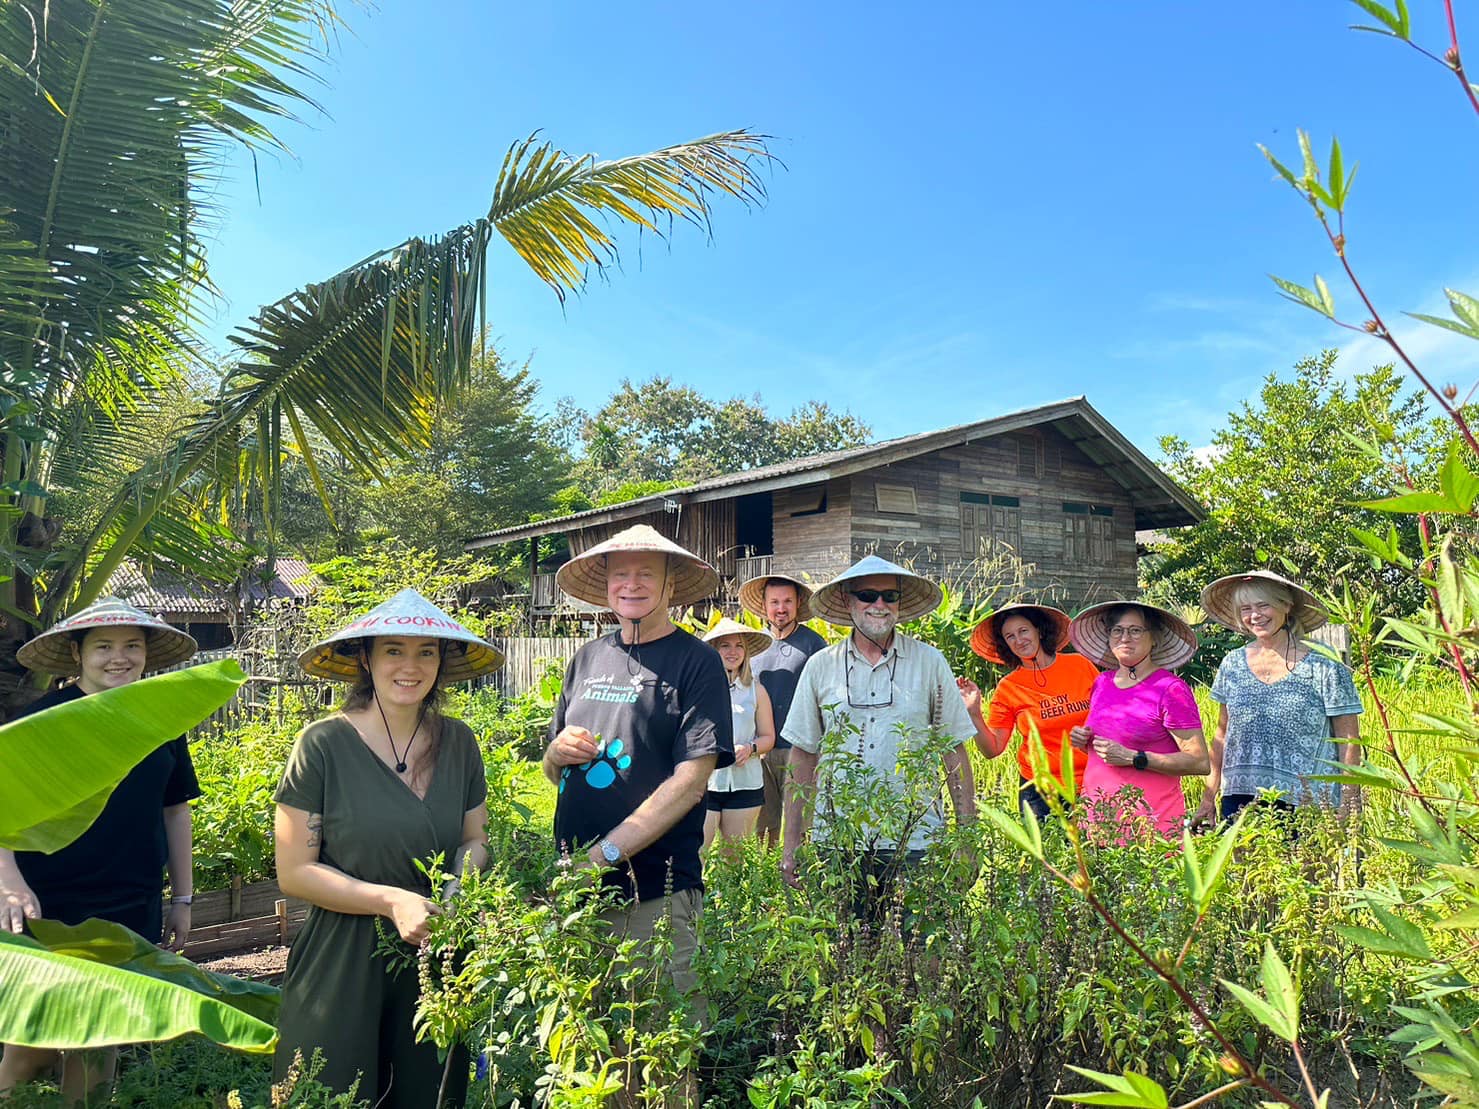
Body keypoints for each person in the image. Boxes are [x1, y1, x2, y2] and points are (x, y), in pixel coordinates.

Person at [273, 589, 503, 1108]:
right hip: (343, 951)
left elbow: (475, 840)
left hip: (438, 949)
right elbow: (295, 872)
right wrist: (390, 901)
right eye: (394, 650)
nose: (411, 665)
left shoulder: (460, 742)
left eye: (427, 652)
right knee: (330, 1090)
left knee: (428, 1092)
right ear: (366, 658)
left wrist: (458, 884)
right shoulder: (322, 745)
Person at [0, 598, 200, 1103]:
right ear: (76, 652)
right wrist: (9, 881)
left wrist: (183, 899)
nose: (120, 657)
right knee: (31, 1044)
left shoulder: (160, 720)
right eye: (104, 646)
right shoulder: (39, 722)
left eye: (132, 646)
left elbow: (175, 811)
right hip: (46, 903)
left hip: (131, 902)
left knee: (101, 1041)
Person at [542, 523, 733, 1021]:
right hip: (576, 889)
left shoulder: (698, 662)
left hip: (655, 889)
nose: (632, 584)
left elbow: (690, 783)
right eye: (620, 574)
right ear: (605, 584)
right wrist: (555, 754)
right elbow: (552, 770)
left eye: (646, 574)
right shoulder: (586, 658)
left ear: (671, 584)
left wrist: (603, 855)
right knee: (593, 1051)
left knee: (662, 1051)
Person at [781, 555, 980, 909]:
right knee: (844, 954)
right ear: (847, 599)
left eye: (890, 596)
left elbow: (954, 751)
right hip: (838, 842)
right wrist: (792, 841)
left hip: (917, 840)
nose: (879, 605)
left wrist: (967, 840)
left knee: (919, 955)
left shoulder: (930, 662)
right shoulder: (819, 667)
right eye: (868, 595)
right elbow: (803, 756)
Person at [1192, 570, 1363, 826]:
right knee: (1247, 866)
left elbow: (1348, 739)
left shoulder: (1323, 663)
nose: (1255, 615)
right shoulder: (1232, 664)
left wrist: (1350, 800)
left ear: (1286, 605)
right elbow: (1222, 736)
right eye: (1246, 609)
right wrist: (1208, 798)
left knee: (1307, 866)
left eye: (1263, 605)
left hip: (1309, 799)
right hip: (1241, 797)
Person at [1067, 602, 1210, 840]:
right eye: (1117, 630)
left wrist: (1135, 758)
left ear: (1154, 638)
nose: (1125, 638)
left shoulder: (1170, 689)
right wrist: (1083, 740)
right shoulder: (1102, 683)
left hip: (1150, 827)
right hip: (1097, 821)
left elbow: (1199, 762)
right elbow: (1109, 744)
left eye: (1135, 630)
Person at [958, 603, 1098, 819]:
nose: (1019, 640)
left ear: (1039, 631)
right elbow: (992, 749)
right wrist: (974, 712)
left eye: (1023, 631)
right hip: (1040, 792)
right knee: (1045, 854)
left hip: (1092, 782)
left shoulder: (1080, 665)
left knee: (1097, 852)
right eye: (1010, 636)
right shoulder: (1008, 687)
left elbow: (1108, 716)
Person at [739, 573, 827, 847]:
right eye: (774, 602)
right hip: (761, 748)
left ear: (798, 602)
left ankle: (801, 879)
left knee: (802, 823)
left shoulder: (814, 645)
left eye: (787, 601)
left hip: (800, 747)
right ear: (764, 606)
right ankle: (769, 883)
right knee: (765, 826)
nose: (781, 608)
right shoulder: (754, 646)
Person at [701, 617, 777, 852]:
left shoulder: (757, 691)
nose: (732, 652)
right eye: (725, 645)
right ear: (715, 649)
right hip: (707, 782)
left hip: (745, 784)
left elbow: (768, 737)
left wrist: (750, 748)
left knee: (734, 860)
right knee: (697, 854)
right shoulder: (700, 688)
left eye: (739, 646)